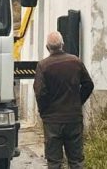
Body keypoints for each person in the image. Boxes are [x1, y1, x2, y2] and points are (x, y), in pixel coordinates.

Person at [34, 31, 94, 169]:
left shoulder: (43, 66)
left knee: (54, 162)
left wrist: (44, 112)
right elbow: (88, 85)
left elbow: (40, 93)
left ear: (47, 47)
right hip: (73, 118)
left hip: (52, 121)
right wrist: (78, 103)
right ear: (62, 45)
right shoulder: (75, 61)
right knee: (76, 160)